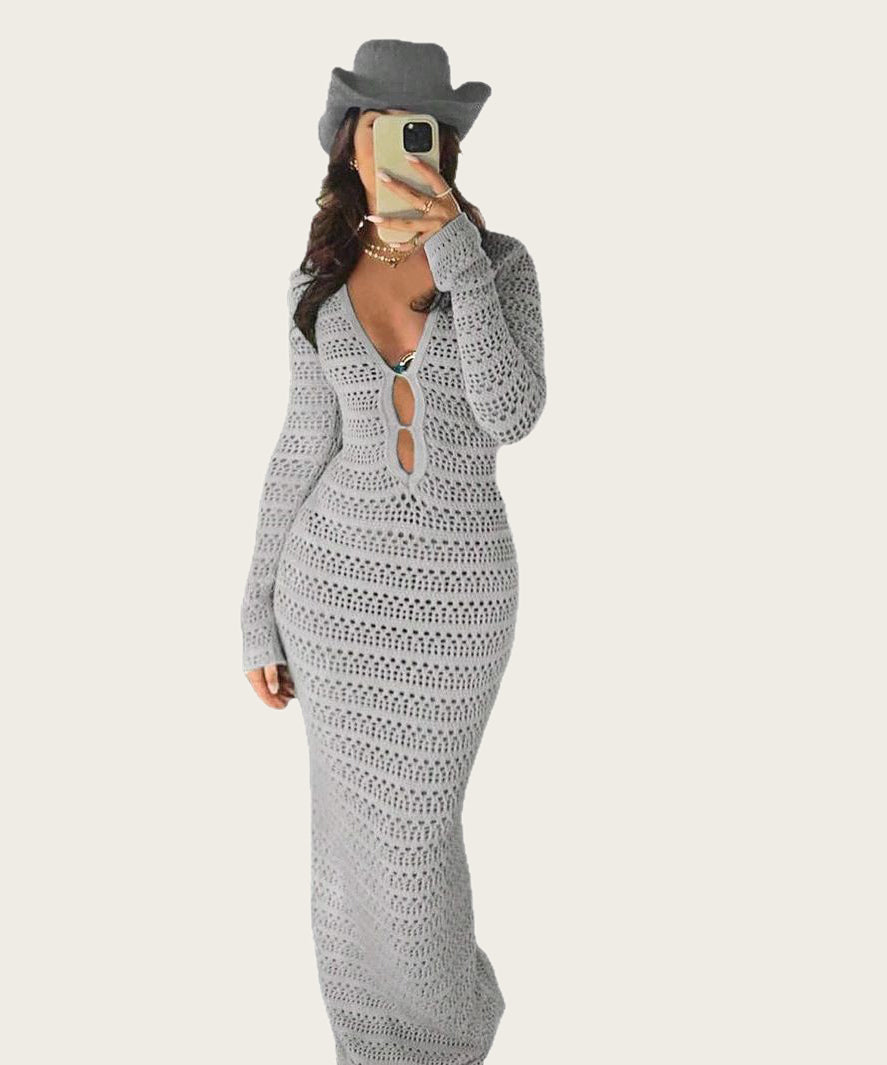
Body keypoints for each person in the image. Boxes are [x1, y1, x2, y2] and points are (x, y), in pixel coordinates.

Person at [240, 40, 546, 1065]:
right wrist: (254, 610)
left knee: (413, 844)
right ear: (349, 144)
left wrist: (454, 251)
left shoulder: (500, 265)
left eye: (424, 131)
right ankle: (366, 1046)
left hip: (458, 604)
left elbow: (510, 414)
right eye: (381, 128)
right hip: (330, 595)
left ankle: (449, 1036)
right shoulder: (318, 283)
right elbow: (300, 446)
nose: (403, 147)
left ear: (446, 148)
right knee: (347, 850)